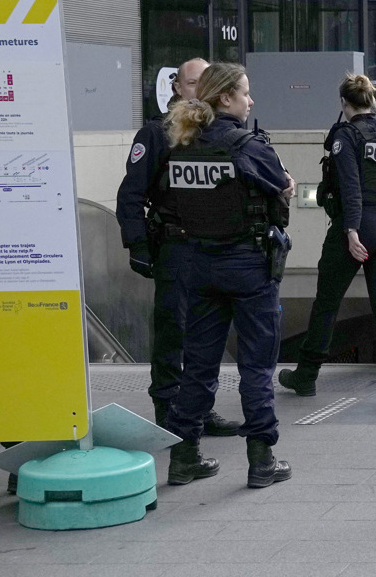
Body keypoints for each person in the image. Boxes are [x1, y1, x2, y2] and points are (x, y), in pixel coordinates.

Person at [160, 63, 294, 489]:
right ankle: (261, 461)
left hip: (199, 266)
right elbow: (282, 187)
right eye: (245, 94)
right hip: (249, 268)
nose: (250, 101)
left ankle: (184, 457)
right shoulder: (248, 146)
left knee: (198, 366)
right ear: (225, 98)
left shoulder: (182, 144)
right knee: (256, 367)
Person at [278, 74, 376, 404]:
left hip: (357, 226)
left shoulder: (347, 135)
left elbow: (350, 188)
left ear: (344, 104)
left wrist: (351, 231)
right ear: (372, 100)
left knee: (327, 302)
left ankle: (306, 375)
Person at [115, 57, 240, 436]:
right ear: (177, 88)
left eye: (205, 84)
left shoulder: (222, 134)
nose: (197, 92)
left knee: (206, 335)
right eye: (191, 84)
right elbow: (131, 195)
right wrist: (137, 244)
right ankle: (168, 410)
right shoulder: (157, 134)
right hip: (177, 248)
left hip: (214, 249)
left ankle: (200, 408)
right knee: (173, 332)